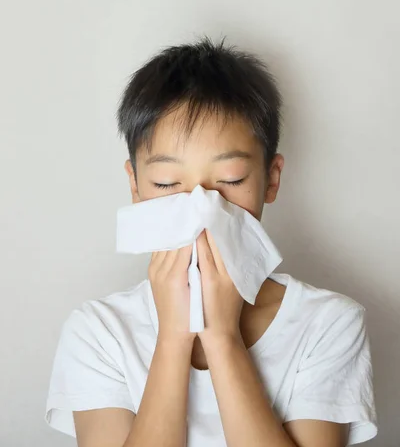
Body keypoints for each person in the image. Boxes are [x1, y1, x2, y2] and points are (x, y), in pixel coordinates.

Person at [45, 36, 378, 447]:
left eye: (231, 180)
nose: (200, 209)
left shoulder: (328, 323)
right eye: (168, 183)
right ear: (135, 185)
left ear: (270, 179)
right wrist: (173, 337)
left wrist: (222, 337)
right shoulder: (98, 332)